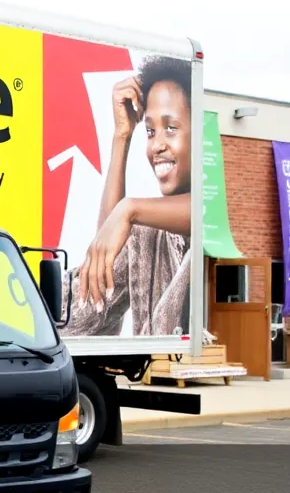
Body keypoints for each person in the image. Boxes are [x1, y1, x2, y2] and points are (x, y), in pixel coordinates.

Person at [60, 55, 194, 337]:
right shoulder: (148, 229)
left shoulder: (215, 209)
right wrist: (122, 135)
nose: (156, 145)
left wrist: (128, 209)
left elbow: (207, 211)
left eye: (171, 128)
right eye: (150, 131)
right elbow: (104, 267)